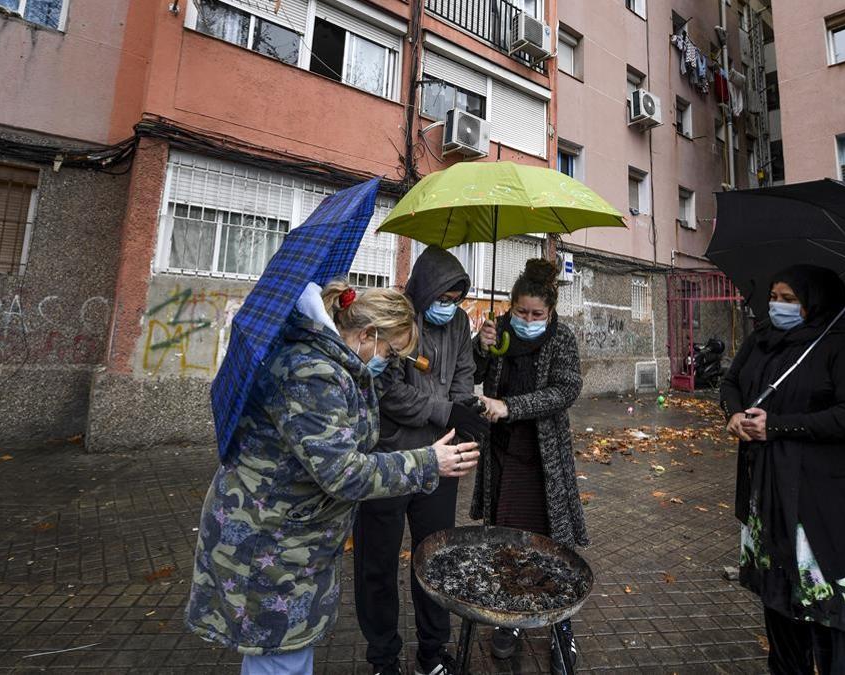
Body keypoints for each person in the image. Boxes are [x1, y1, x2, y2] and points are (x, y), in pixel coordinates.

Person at [185, 280, 480, 675]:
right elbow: (343, 471)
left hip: (290, 541)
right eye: (390, 352)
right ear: (367, 335)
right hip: (268, 543)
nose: (389, 363)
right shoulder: (314, 374)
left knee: (283, 654)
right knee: (279, 660)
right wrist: (428, 462)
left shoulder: (334, 364)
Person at [719, 264, 845, 675]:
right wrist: (734, 413)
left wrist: (777, 425)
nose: (777, 306)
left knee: (833, 618)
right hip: (773, 497)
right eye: (774, 296)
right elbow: (732, 381)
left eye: (790, 300)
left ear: (816, 302)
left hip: (831, 508)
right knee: (782, 608)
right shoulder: (763, 340)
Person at [354, 247, 488, 675]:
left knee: (435, 558)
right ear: (423, 291)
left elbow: (464, 372)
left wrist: (465, 410)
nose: (449, 308)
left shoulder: (460, 323)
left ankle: (432, 651)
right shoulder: (397, 323)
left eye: (455, 300)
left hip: (441, 460)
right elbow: (390, 392)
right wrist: (444, 410)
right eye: (442, 299)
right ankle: (383, 657)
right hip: (391, 459)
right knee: (377, 562)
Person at [471, 258, 587, 674]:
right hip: (502, 452)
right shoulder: (498, 331)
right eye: (522, 312)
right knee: (505, 537)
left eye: (538, 314)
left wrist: (511, 406)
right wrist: (480, 348)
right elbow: (479, 374)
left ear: (551, 312)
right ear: (511, 305)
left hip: (543, 457)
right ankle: (512, 619)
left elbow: (566, 389)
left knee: (550, 543)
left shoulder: (562, 340)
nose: (529, 319)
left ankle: (560, 629)